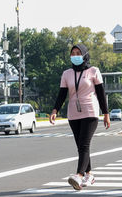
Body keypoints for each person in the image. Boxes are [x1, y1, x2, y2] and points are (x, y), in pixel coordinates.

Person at [50, 44, 111, 191]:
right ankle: (89, 174)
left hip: (90, 111)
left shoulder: (93, 71)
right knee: (81, 146)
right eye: (73, 53)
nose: (75, 55)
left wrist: (106, 114)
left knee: (84, 144)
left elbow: (101, 94)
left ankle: (78, 175)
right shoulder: (66, 74)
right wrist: (55, 110)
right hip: (73, 113)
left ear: (84, 55)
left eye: (78, 53)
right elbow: (62, 94)